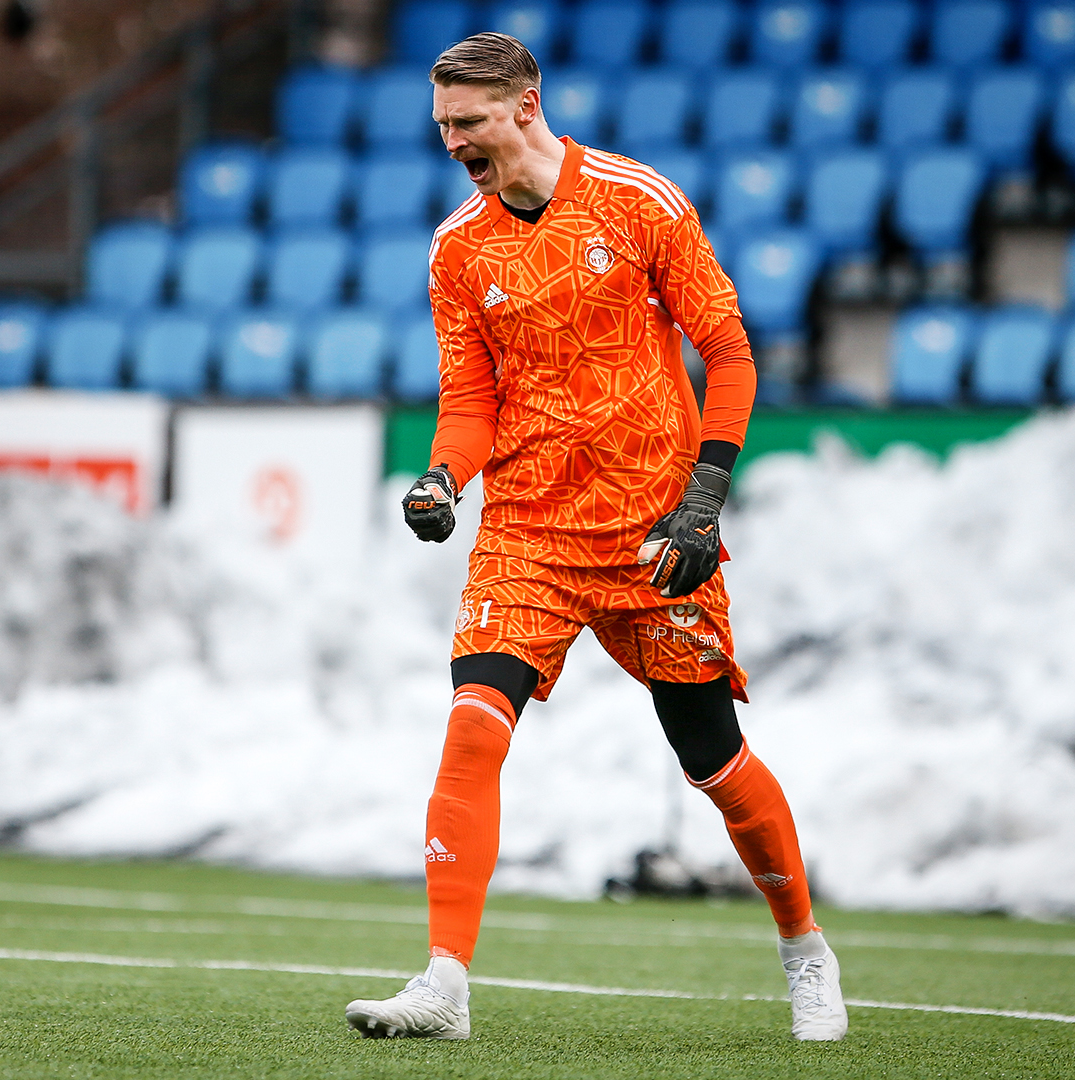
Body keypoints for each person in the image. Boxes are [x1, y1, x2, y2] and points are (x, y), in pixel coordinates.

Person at [343, 32, 847, 1043]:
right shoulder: (457, 249)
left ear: (526, 106)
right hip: (528, 529)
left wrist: (704, 501)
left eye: (468, 122)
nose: (453, 143)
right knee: (473, 726)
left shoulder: (638, 201)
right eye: (442, 125)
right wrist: (444, 476)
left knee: (713, 761)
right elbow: (470, 398)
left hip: (653, 530)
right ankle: (444, 983)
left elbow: (729, 352)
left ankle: (805, 950)